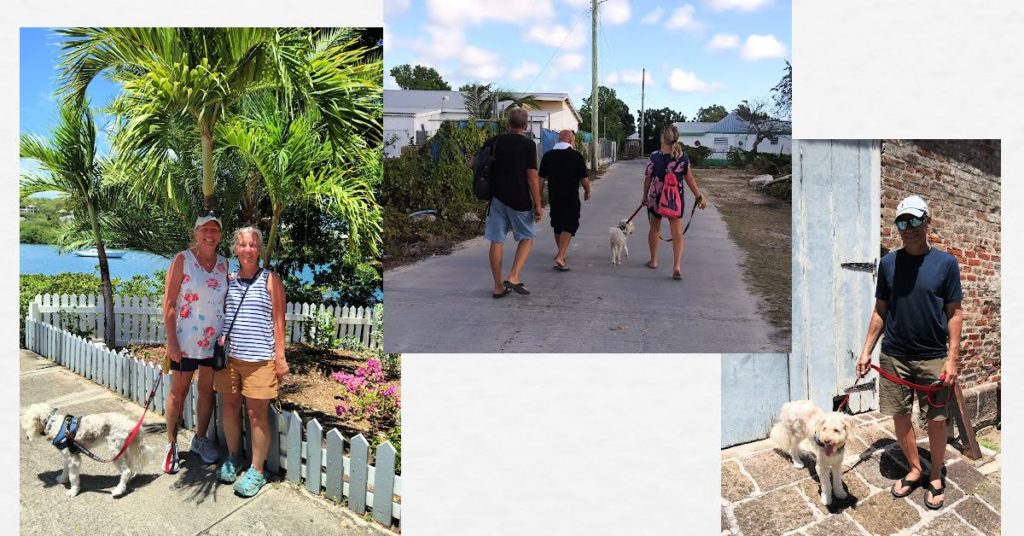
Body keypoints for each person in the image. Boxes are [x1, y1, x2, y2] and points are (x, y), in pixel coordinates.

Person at [856, 194, 963, 510]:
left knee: (937, 420)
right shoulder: (888, 264)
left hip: (933, 358)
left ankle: (934, 474)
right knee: (901, 416)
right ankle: (915, 468)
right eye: (903, 221)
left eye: (916, 220)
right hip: (894, 357)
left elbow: (955, 313)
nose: (909, 227)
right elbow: (880, 311)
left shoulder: (946, 264)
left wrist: (952, 358)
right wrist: (866, 352)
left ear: (928, 221)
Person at [215, 227, 289, 497]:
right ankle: (235, 457)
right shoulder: (228, 280)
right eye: (242, 245)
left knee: (257, 416)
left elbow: (279, 321)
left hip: (259, 360)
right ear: (236, 249)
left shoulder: (272, 280)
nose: (247, 249)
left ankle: (257, 470)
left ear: (259, 249)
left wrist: (280, 358)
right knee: (229, 409)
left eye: (252, 245)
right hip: (230, 359)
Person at [161, 212, 228, 473]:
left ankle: (199, 439)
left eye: (214, 230)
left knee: (206, 392)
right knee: (178, 394)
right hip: (185, 342)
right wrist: (171, 343)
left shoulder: (224, 263)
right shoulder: (182, 260)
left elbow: (223, 302)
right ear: (196, 232)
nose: (209, 234)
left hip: (213, 343)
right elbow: (168, 303)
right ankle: (171, 444)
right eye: (204, 230)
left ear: (220, 235)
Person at [479, 107, 542, 298]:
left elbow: (473, 163)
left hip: (497, 198)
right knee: (527, 237)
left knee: (496, 241)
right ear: (526, 125)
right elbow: (531, 175)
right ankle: (513, 275)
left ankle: (498, 286)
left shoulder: (495, 141)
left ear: (508, 124)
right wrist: (538, 204)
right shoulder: (529, 145)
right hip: (520, 200)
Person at [642, 125, 706, 280]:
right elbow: (689, 178)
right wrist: (698, 196)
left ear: (663, 138)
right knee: (677, 233)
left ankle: (654, 261)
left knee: (654, 229)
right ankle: (676, 266)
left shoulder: (654, 156)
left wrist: (645, 197)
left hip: (657, 198)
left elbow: (648, 178)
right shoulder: (682, 157)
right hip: (674, 200)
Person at [539, 129, 590, 271]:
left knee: (557, 224)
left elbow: (541, 179)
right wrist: (587, 191)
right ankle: (561, 256)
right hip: (570, 196)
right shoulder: (576, 156)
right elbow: (584, 178)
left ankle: (561, 253)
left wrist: (539, 198)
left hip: (554, 196)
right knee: (570, 224)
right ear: (571, 140)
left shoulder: (548, 156)